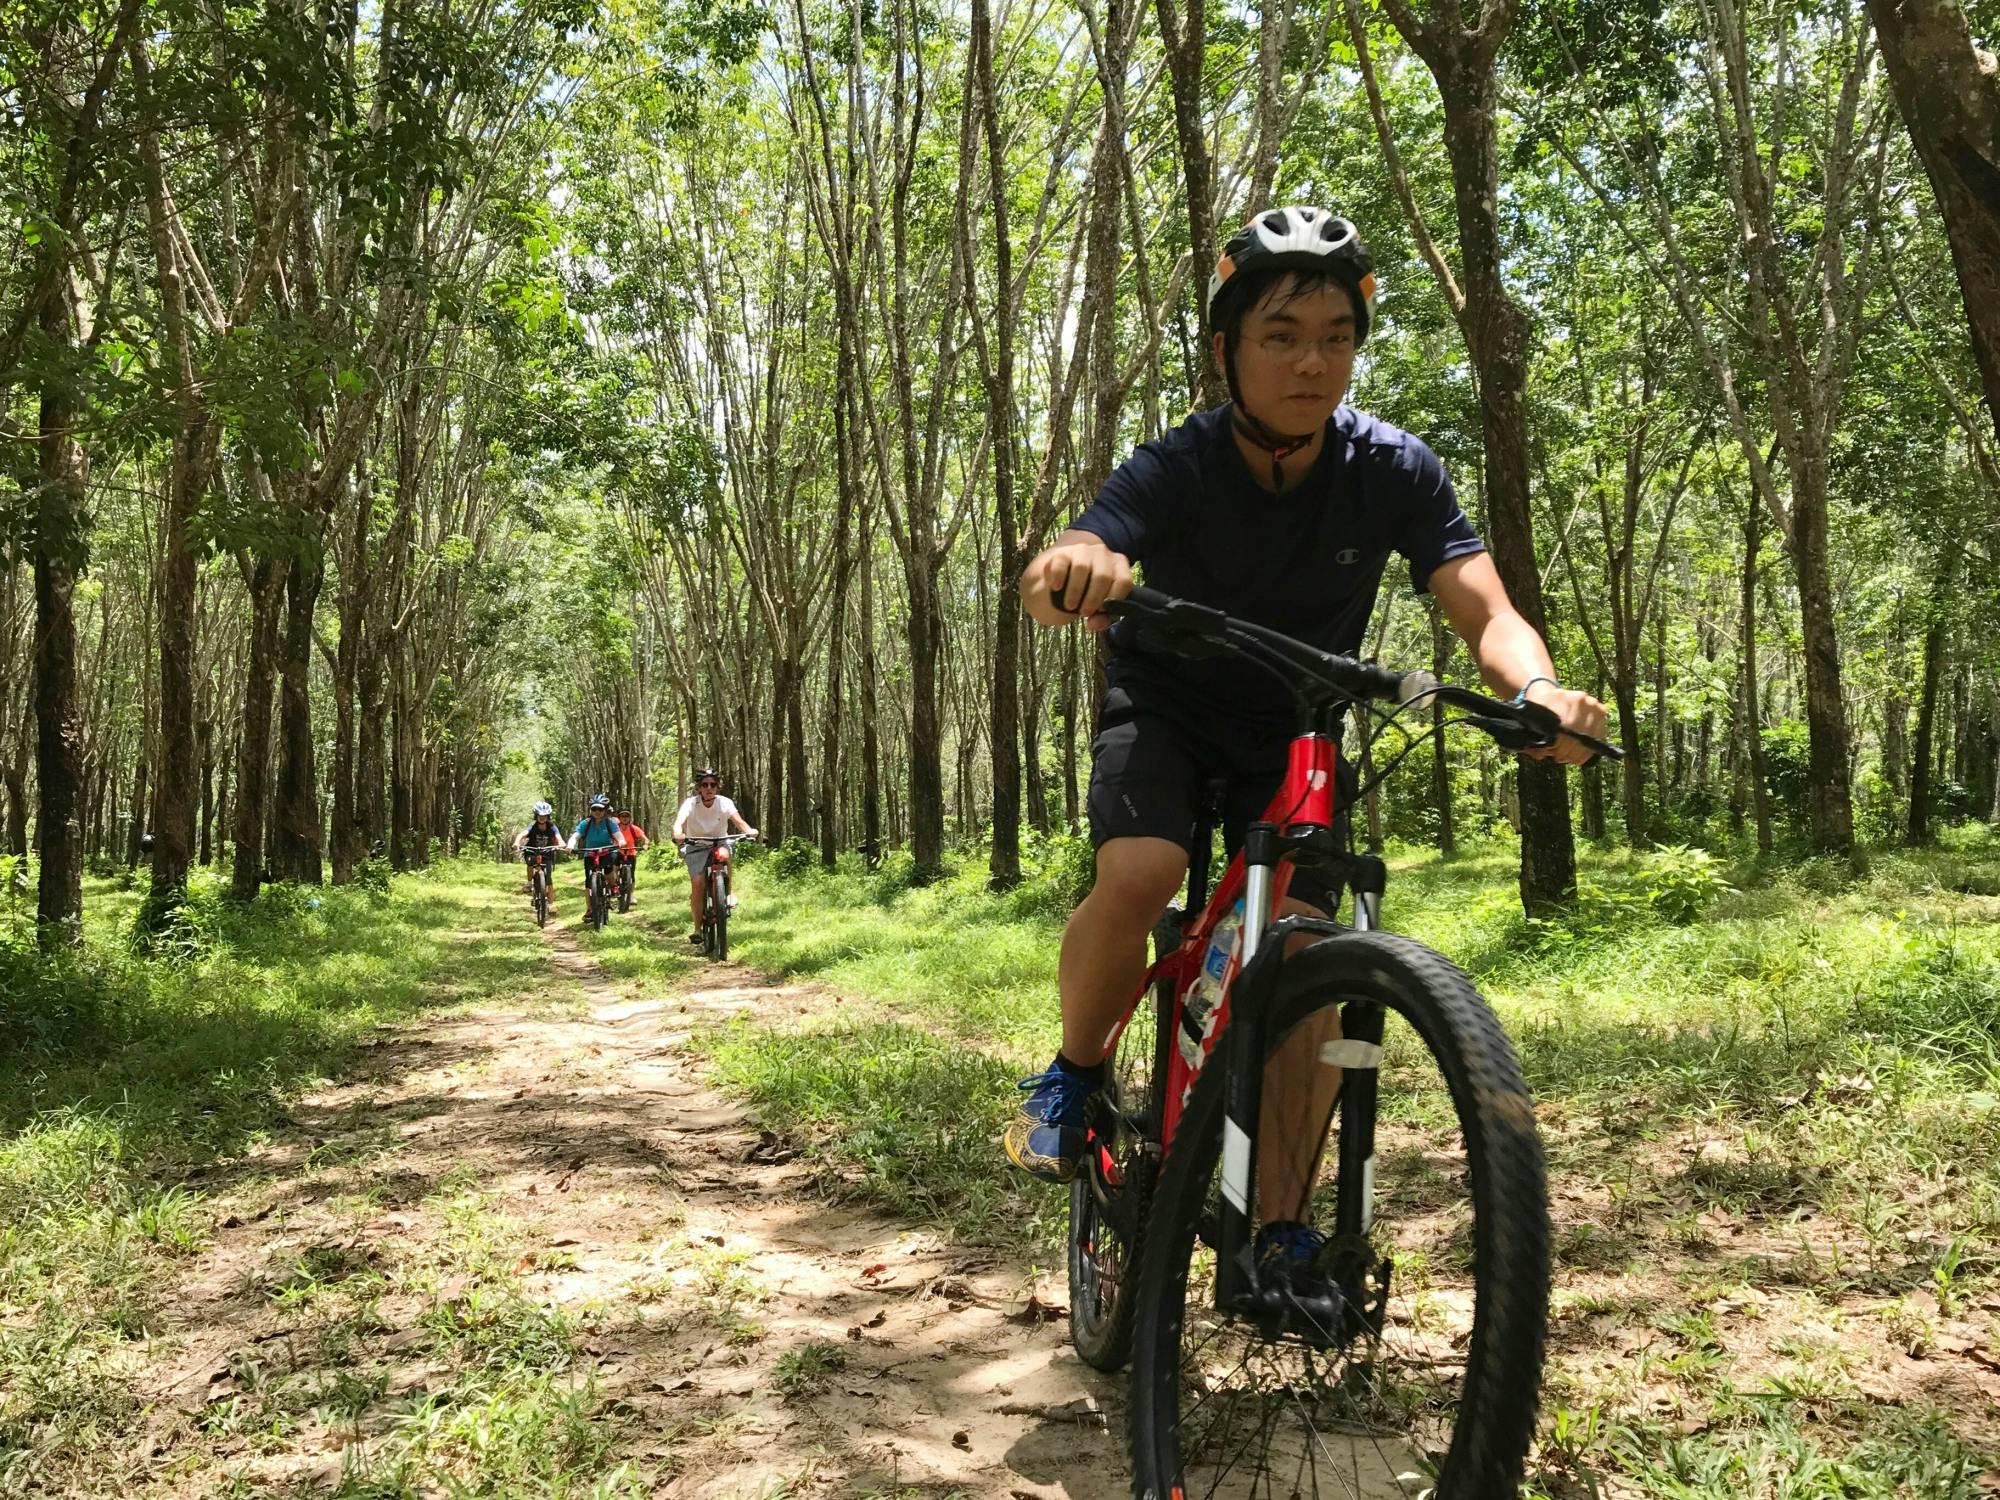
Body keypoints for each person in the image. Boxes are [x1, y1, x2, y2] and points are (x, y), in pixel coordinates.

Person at [1006, 208, 1608, 1253]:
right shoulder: (1177, 463)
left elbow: (1485, 609)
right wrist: (1072, 570)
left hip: (1297, 732)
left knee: (1298, 967)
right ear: (1225, 350)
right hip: (1167, 708)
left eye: (1334, 337)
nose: (1310, 362)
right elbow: (1075, 549)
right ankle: (1075, 1072)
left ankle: (1275, 1230)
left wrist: (1541, 690)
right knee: (1142, 872)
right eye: (1279, 336)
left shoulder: (1393, 469)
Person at [672, 770, 757, 943]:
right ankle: (697, 929)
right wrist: (678, 833)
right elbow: (679, 823)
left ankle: (729, 892)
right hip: (696, 845)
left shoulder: (725, 803)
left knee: (725, 854)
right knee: (698, 883)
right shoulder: (690, 803)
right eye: (705, 785)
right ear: (699, 788)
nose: (709, 788)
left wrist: (749, 831)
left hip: (720, 841)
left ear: (717, 787)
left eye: (713, 785)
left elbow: (739, 822)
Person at [567, 794, 623, 900]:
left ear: (605, 810)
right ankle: (590, 909)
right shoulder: (585, 823)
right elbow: (575, 836)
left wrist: (621, 841)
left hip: (606, 852)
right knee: (588, 883)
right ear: (591, 810)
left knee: (608, 870)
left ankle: (613, 886)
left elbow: (618, 835)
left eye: (600, 809)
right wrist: (570, 845)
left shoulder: (610, 822)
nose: (597, 812)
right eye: (594, 809)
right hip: (590, 853)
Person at [512, 801, 566, 903]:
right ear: (536, 815)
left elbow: (559, 837)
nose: (542, 817)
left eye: (545, 816)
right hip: (532, 851)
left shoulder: (552, 827)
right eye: (540, 815)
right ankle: (529, 882)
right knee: (530, 863)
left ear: (548, 816)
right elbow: (522, 835)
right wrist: (516, 843)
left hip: (547, 852)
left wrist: (562, 843)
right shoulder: (532, 826)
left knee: (548, 878)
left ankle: (550, 904)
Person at [614, 806, 650, 900]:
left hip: (631, 853)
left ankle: (631, 896)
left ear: (629, 818)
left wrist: (645, 845)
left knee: (632, 875)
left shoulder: (634, 829)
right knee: (614, 869)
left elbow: (645, 839)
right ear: (619, 818)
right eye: (622, 816)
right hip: (618, 852)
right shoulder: (615, 829)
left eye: (627, 816)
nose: (625, 818)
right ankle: (615, 886)